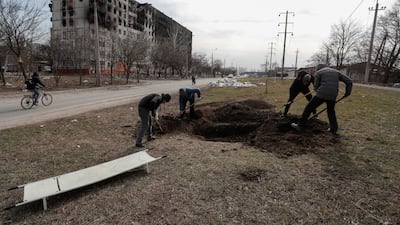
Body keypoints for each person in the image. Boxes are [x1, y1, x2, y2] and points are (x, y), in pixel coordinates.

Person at [291, 64, 352, 135]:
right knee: (331, 111)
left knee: (309, 108)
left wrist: (319, 92)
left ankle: (300, 126)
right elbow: (349, 81)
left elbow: (316, 86)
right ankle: (333, 129)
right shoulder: (336, 72)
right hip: (333, 95)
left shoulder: (319, 72)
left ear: (318, 68)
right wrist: (347, 93)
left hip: (321, 93)